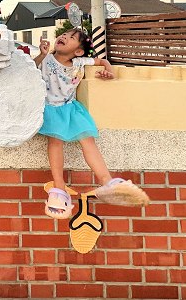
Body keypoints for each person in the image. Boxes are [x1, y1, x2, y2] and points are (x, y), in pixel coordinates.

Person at [34, 27, 149, 219]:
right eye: (63, 35)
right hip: (50, 109)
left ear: (78, 51)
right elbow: (32, 66)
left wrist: (109, 71)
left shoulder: (80, 62)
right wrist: (41, 54)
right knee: (55, 142)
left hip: (70, 108)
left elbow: (102, 60)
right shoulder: (47, 59)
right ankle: (59, 189)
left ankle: (109, 182)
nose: (63, 37)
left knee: (88, 140)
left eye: (70, 38)